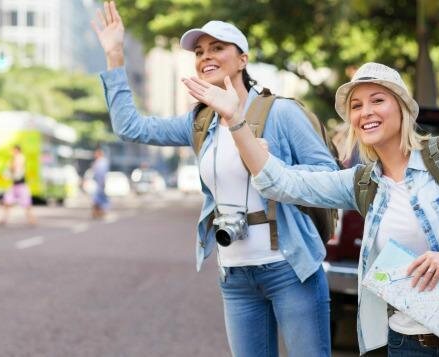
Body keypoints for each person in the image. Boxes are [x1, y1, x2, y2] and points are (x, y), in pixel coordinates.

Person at [184, 62, 439, 356]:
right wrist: (236, 120)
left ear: (402, 107)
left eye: (377, 100)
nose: (365, 112)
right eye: (356, 106)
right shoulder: (361, 183)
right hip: (411, 343)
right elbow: (280, 183)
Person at [90, 2, 337, 356]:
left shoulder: (281, 113)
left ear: (243, 59)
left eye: (218, 48)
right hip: (235, 275)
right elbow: (131, 126)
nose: (206, 56)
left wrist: (272, 166)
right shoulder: (200, 124)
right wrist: (115, 55)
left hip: (289, 267)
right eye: (200, 51)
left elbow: (327, 178)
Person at [0, 145, 36, 226]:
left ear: (17, 150)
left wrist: (11, 168)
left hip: (21, 185)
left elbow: (17, 169)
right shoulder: (12, 159)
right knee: (7, 202)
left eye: (13, 150)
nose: (12, 152)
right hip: (14, 185)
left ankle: (31, 220)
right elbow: (9, 172)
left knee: (26, 204)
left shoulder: (20, 158)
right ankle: (3, 219)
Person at [90, 146, 110, 219]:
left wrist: (102, 183)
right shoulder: (99, 162)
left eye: (95, 153)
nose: (94, 155)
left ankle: (100, 213)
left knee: (99, 199)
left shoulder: (102, 162)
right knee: (98, 199)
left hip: (100, 184)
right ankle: (98, 213)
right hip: (98, 184)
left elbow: (102, 174)